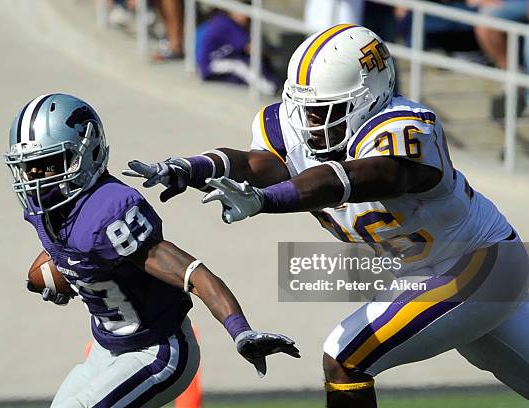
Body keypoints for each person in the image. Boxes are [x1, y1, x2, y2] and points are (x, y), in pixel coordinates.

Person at [124, 24, 529, 407]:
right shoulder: (296, 126)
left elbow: (360, 177)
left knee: (344, 354)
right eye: (305, 110)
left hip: (476, 262)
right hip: (429, 272)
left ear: (368, 99)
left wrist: (268, 201)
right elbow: (257, 163)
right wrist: (192, 167)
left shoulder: (407, 127)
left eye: (325, 111)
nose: (310, 124)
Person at [3, 93, 300, 408]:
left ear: (86, 155)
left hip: (158, 350)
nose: (35, 180)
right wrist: (70, 281)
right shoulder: (46, 209)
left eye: (46, 165)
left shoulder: (108, 212)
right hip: (108, 348)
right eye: (28, 167)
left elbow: (193, 273)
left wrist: (240, 331)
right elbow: (79, 260)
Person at [196, 8, 280, 96]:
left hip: (223, 58)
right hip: (210, 64)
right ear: (232, 11)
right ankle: (270, 88)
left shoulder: (227, 21)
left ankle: (274, 83)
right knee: (240, 65)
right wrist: (275, 54)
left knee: (246, 61)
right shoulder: (226, 23)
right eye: (243, 12)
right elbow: (251, 49)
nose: (247, 17)